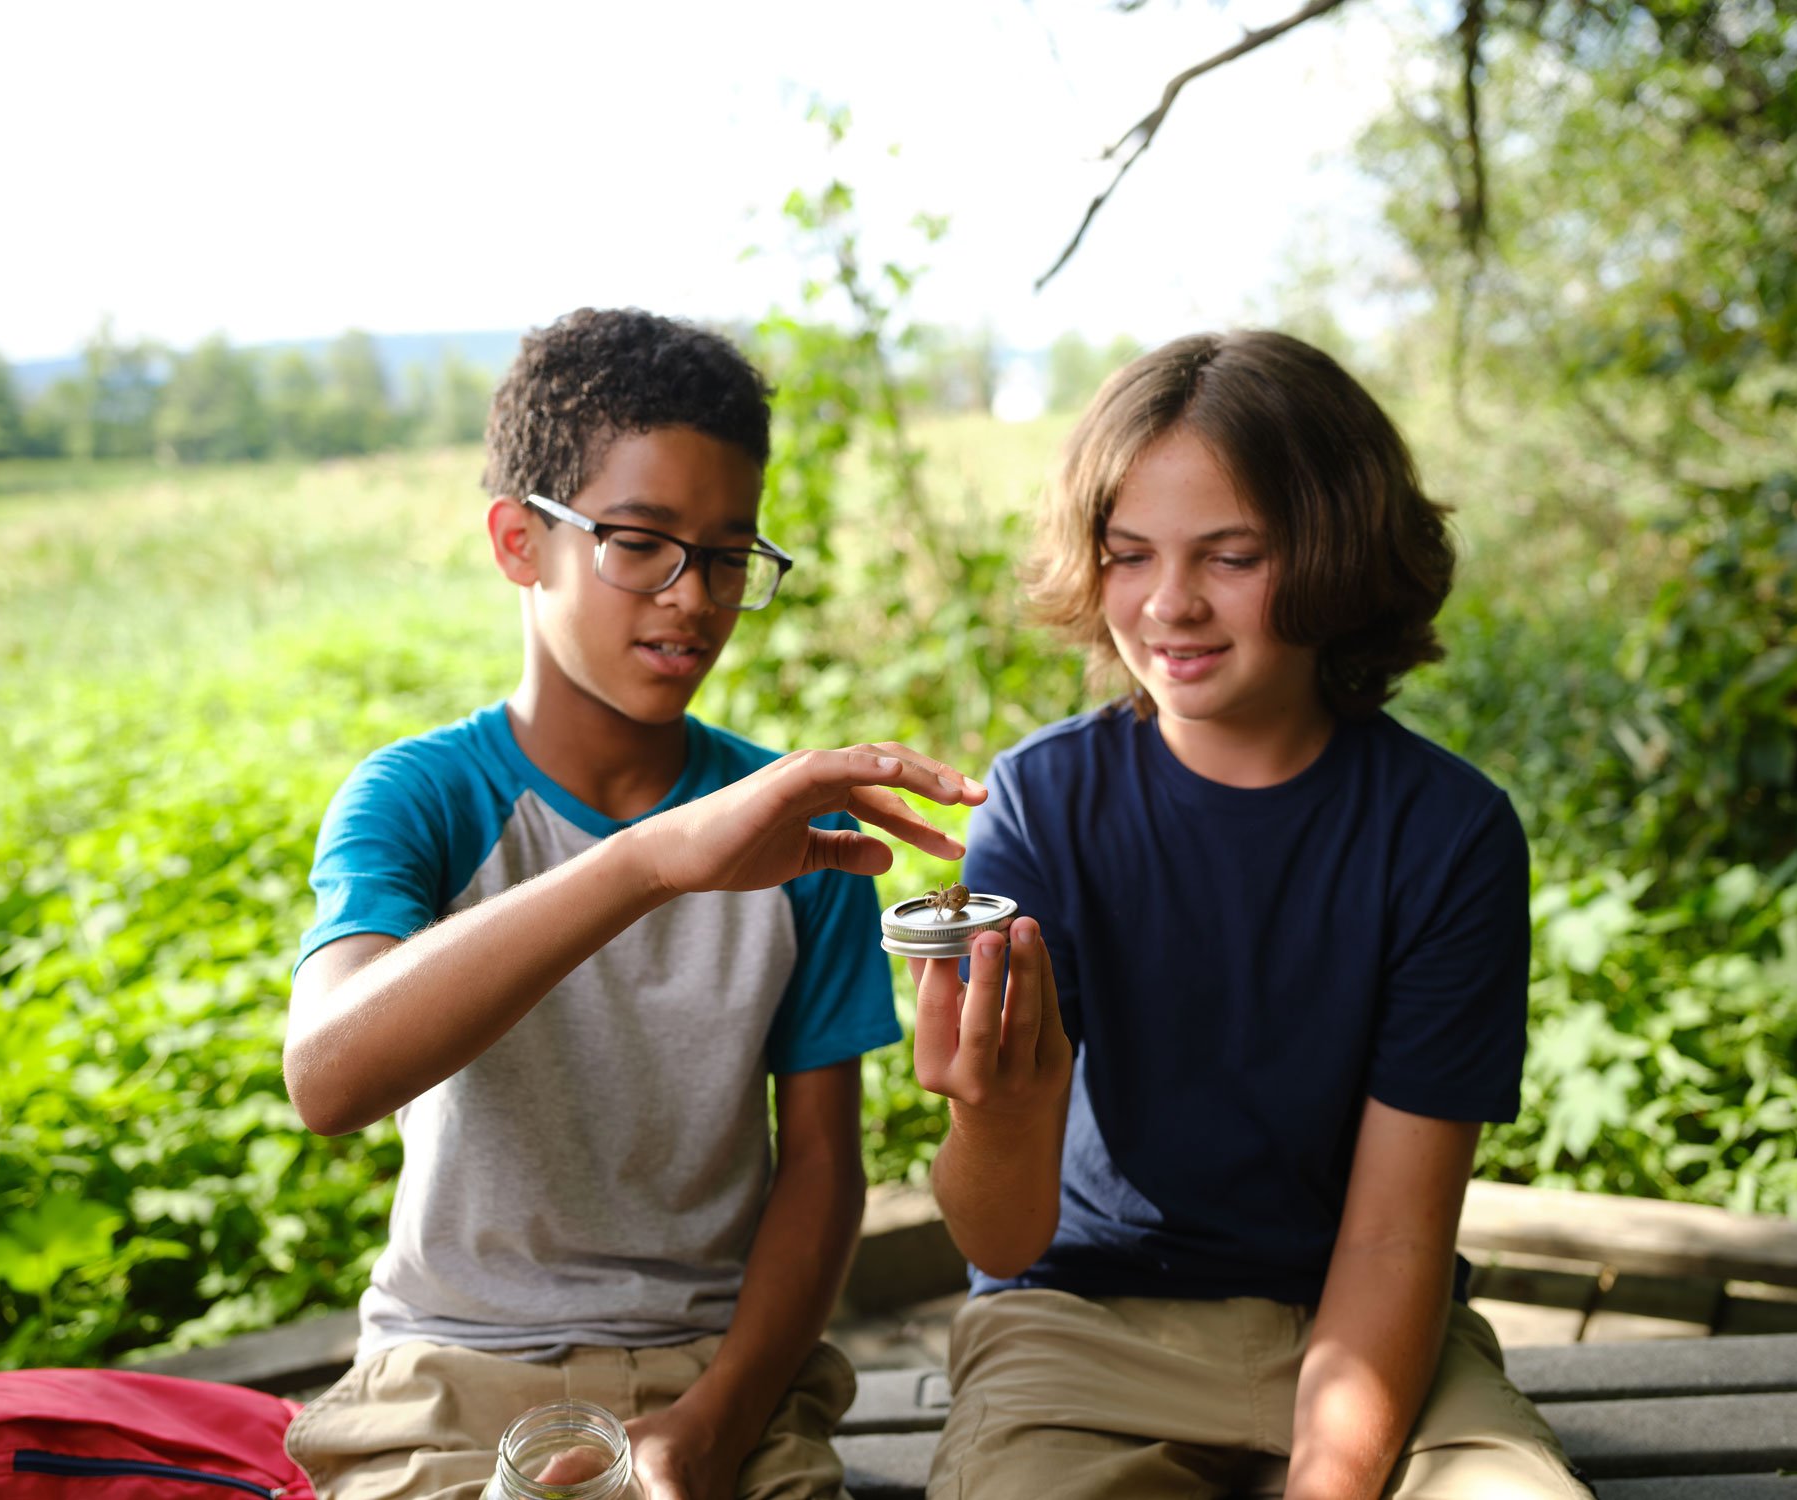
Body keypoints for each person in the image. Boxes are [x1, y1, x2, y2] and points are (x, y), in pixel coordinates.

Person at [280, 307, 983, 1500]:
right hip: (453, 1377)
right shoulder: (424, 800)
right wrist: (645, 863)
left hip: (723, 1379)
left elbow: (821, 1169)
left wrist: (713, 1425)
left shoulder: (791, 831)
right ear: (517, 540)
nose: (692, 596)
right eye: (640, 541)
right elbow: (330, 1078)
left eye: (726, 554)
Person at [910, 331, 1594, 1499]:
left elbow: (1391, 1241)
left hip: (1372, 1326)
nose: (1167, 605)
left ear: (1338, 552)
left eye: (1230, 556)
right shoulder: (1040, 804)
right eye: (1127, 555)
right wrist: (987, 1112)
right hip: (1079, 1325)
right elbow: (1001, 1242)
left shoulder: (1447, 834)